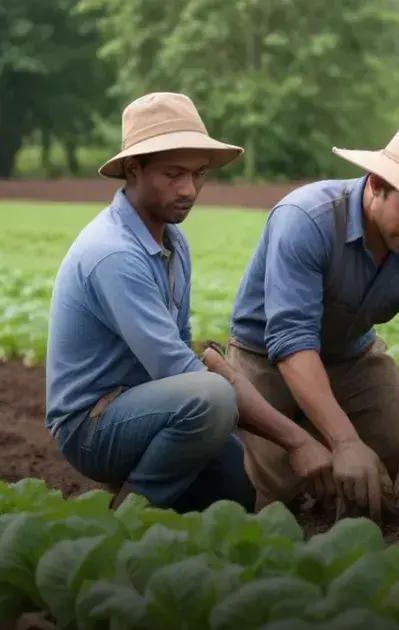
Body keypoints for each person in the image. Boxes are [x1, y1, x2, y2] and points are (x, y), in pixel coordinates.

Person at [45, 92, 332, 512]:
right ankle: (129, 516)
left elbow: (182, 349)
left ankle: (162, 491)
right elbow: (180, 370)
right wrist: (296, 440)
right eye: (173, 174)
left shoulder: (173, 242)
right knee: (212, 400)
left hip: (151, 406)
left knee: (246, 491)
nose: (189, 189)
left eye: (198, 174)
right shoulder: (114, 253)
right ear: (134, 168)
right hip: (92, 425)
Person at [226, 119, 399, 520]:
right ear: (375, 185)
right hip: (264, 355)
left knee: (388, 429)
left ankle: (342, 500)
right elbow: (291, 339)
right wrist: (345, 441)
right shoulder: (306, 219)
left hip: (350, 354)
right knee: (278, 483)